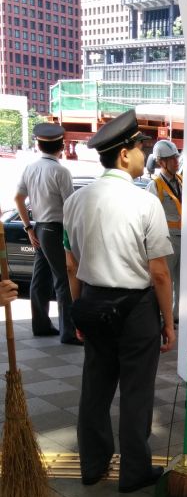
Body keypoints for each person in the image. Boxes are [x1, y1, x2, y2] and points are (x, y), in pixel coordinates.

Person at [63, 109, 175, 493]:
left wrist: (79, 310)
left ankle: (92, 466)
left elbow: (71, 263)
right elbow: (158, 272)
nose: (145, 155)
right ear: (124, 155)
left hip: (93, 302)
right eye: (140, 148)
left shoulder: (75, 201)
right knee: (136, 391)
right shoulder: (145, 202)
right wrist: (169, 323)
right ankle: (134, 472)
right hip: (136, 309)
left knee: (95, 388)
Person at [14, 123, 79, 344]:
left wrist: (28, 227)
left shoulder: (30, 168)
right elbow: (70, 206)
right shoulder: (61, 171)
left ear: (39, 145)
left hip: (40, 227)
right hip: (56, 229)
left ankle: (41, 325)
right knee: (63, 279)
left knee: (40, 279)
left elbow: (18, 198)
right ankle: (68, 332)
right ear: (61, 146)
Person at [146, 140, 182, 322]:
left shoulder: (182, 181)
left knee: (182, 282)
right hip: (167, 240)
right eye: (171, 158)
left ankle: (176, 317)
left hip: (185, 239)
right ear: (161, 162)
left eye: (176, 157)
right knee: (165, 280)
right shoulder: (155, 186)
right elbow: (151, 217)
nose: (176, 161)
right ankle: (162, 317)